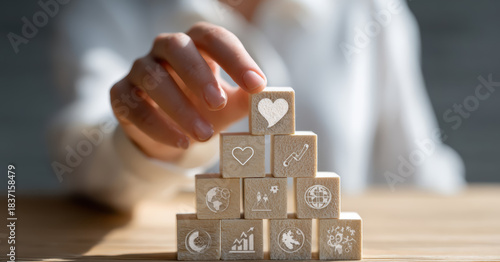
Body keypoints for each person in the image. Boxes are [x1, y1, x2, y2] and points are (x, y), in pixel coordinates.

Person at [50, 0, 465, 212]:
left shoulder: (370, 10)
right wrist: (149, 141)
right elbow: (80, 155)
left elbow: (418, 168)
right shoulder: (105, 12)